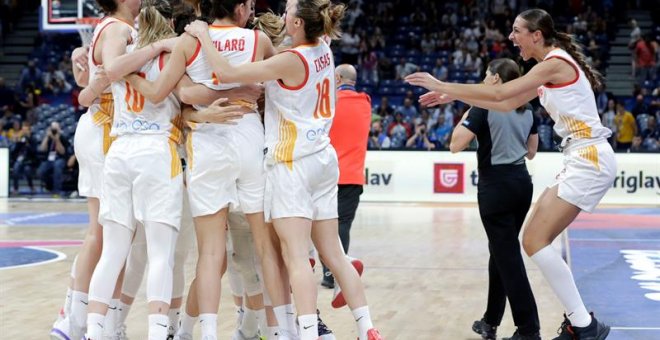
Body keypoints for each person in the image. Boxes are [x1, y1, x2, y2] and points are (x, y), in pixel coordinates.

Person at [407, 8, 614, 340]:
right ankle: (581, 323)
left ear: (536, 35)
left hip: (588, 157)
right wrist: (455, 95)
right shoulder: (548, 69)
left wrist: (443, 84)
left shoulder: (554, 63)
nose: (511, 37)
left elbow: (501, 93)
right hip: (580, 157)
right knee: (532, 240)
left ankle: (583, 325)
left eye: (517, 31)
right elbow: (504, 103)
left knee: (534, 241)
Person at [183, 0, 382, 338]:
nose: (283, 12)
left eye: (289, 10)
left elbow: (227, 74)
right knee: (333, 252)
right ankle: (367, 328)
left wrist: (203, 35)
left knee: (293, 257)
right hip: (322, 157)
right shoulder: (323, 46)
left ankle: (303, 331)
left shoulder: (289, 61)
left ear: (299, 24)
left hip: (293, 163)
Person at [449, 58, 540, 340]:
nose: (483, 79)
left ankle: (528, 328)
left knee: (508, 257)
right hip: (522, 183)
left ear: (497, 79)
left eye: (487, 75)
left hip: (495, 187)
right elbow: (532, 151)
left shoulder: (482, 107)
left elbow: (455, 144)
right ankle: (490, 321)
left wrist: (470, 110)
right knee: (501, 252)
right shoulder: (527, 108)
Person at [322, 64, 371, 289]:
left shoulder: (329, 103)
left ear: (338, 77)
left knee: (323, 224)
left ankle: (327, 272)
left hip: (326, 173)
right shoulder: (365, 103)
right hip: (352, 176)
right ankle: (337, 272)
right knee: (343, 224)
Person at [37, 121, 69, 195]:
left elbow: (62, 152)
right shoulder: (48, 138)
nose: (54, 130)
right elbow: (42, 149)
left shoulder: (63, 137)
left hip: (60, 158)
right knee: (41, 171)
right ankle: (49, 186)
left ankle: (56, 191)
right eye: (52, 128)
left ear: (59, 129)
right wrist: (47, 136)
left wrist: (56, 139)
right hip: (49, 159)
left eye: (56, 128)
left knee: (57, 166)